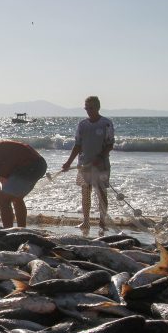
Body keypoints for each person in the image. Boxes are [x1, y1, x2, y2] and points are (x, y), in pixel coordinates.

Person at [61, 96, 115, 235]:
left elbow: (110, 144)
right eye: (87, 108)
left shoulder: (106, 123)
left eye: (91, 108)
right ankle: (86, 220)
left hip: (101, 165)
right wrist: (68, 162)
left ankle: (102, 222)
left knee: (102, 194)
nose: (89, 110)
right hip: (84, 165)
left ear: (97, 107)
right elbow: (77, 145)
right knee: (85, 193)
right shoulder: (82, 125)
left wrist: (100, 157)